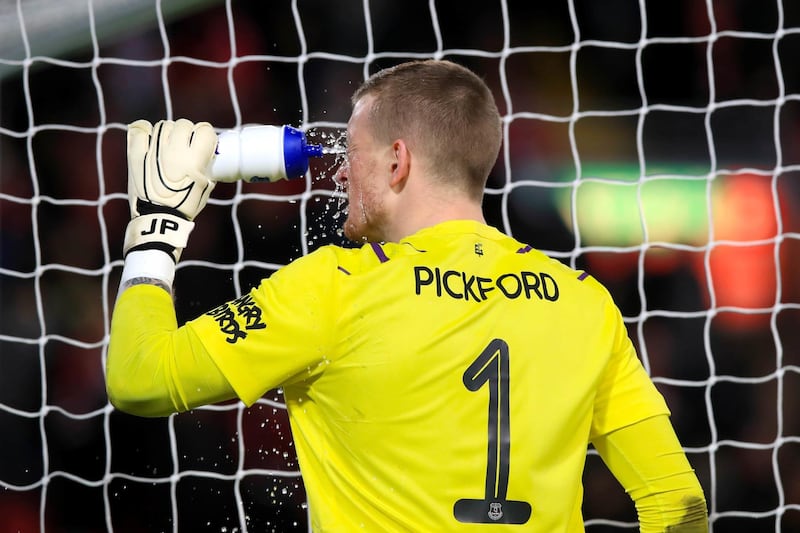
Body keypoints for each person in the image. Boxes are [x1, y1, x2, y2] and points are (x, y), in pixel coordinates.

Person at [106, 59, 708, 532]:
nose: (340, 173)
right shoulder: (583, 302)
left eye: (354, 153)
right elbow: (677, 504)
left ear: (398, 161)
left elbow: (139, 379)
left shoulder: (336, 287)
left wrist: (157, 229)